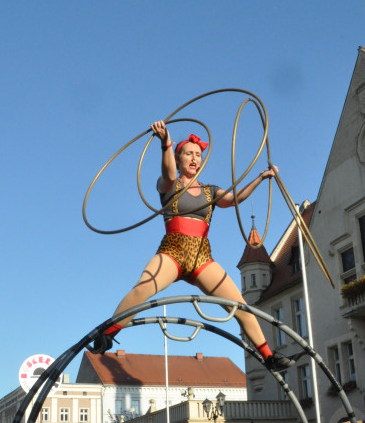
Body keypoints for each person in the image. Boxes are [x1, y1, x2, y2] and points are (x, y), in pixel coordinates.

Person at [89, 121, 293, 373]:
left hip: (201, 257)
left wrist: (262, 178)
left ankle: (268, 357)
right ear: (178, 157)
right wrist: (165, 143)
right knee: (143, 289)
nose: (194, 158)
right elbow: (169, 173)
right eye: (188, 153)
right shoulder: (169, 185)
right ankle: (108, 332)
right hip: (173, 251)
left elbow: (236, 198)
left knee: (240, 306)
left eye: (198, 154)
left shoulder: (210, 191)